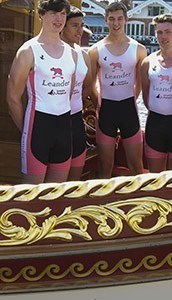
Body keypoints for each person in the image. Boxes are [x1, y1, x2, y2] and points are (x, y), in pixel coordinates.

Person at [6, 0, 77, 184]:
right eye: (53, 13)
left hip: (63, 129)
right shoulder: (29, 51)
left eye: (62, 13)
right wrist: (27, 131)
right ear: (41, 15)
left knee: (57, 196)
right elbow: (12, 98)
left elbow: (67, 95)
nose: (59, 18)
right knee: (31, 197)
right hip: (37, 128)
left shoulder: (72, 53)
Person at [88, 2, 147, 179]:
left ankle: (141, 203)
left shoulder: (139, 49)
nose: (116, 23)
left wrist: (131, 98)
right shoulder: (95, 50)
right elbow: (91, 85)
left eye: (120, 18)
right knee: (105, 166)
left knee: (136, 166)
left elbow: (140, 83)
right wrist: (101, 102)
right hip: (106, 111)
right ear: (106, 20)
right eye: (112, 19)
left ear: (126, 20)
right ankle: (101, 205)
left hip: (129, 109)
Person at [141, 14, 172, 173]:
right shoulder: (147, 62)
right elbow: (146, 96)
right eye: (159, 32)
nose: (163, 37)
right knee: (155, 177)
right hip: (155, 123)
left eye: (168, 32)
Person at [61, 6, 92, 181]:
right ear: (63, 27)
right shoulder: (53, 53)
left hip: (76, 118)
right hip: (56, 120)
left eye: (82, 25)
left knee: (76, 174)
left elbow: (88, 86)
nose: (80, 30)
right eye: (74, 25)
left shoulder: (83, 55)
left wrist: (75, 98)